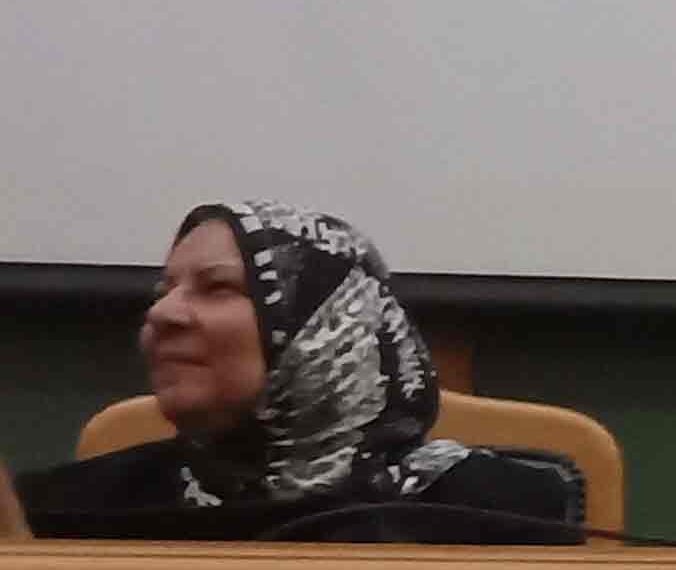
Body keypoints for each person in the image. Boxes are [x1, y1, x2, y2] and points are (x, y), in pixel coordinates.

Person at [15, 201, 583, 542]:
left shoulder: (495, 513)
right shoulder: (68, 511)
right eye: (163, 291)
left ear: (326, 328)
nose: (161, 313)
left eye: (216, 288)